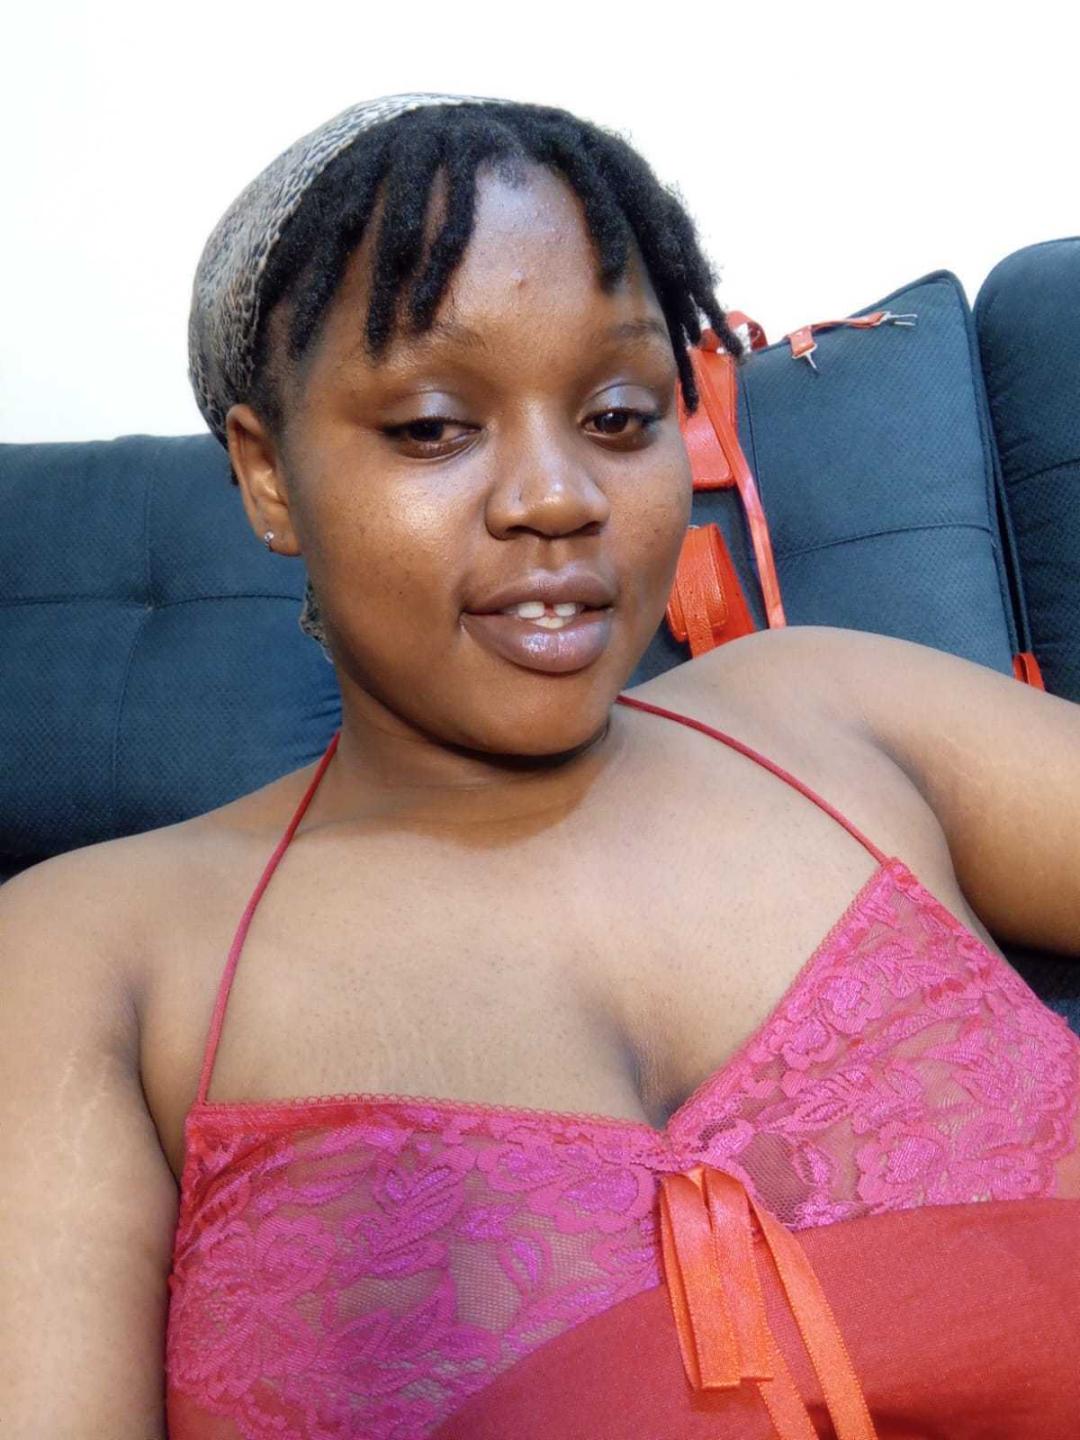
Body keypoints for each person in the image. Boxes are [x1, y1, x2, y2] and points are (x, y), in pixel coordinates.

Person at [2, 91, 1078, 1440]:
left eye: (620, 415)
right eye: (433, 428)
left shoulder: (840, 713)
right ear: (269, 477)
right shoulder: (88, 954)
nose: (559, 495)